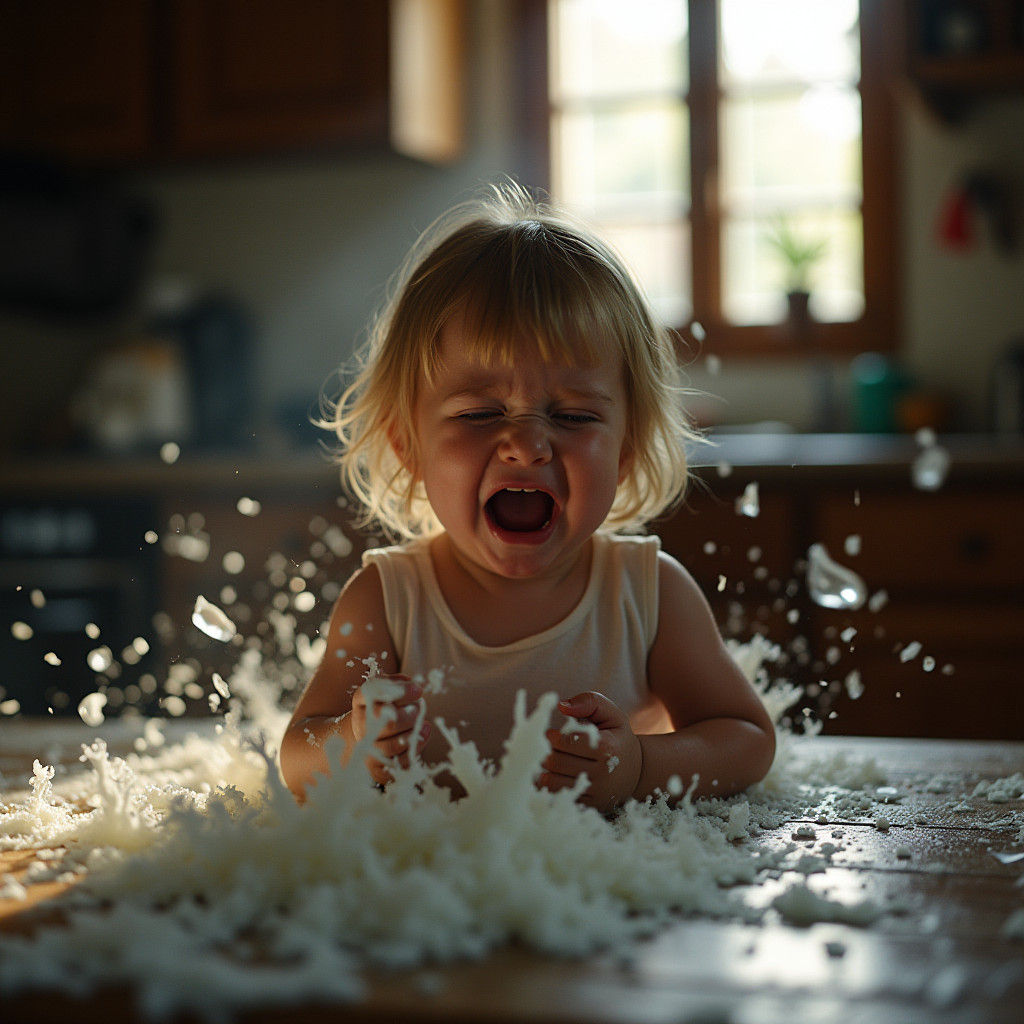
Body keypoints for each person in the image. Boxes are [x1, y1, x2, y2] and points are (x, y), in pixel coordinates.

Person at [279, 183, 775, 812]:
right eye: (481, 413)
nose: (527, 445)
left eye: (571, 416)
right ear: (408, 443)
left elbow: (747, 739)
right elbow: (297, 754)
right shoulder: (388, 600)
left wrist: (641, 764)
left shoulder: (648, 595)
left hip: (589, 897)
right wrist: (353, 744)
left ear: (625, 449)